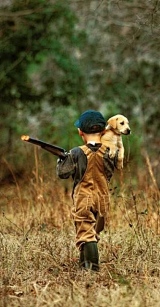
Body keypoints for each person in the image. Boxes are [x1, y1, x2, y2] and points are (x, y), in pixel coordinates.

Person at [56, 110, 118, 271]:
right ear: (104, 131)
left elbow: (63, 173)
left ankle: (91, 270)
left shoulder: (77, 152)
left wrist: (62, 159)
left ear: (80, 132)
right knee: (92, 232)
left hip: (84, 197)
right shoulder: (111, 152)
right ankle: (84, 264)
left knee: (85, 232)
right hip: (103, 198)